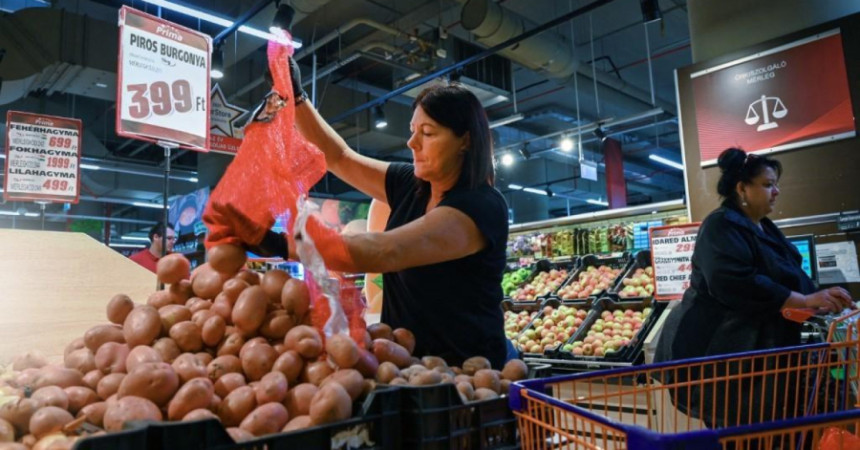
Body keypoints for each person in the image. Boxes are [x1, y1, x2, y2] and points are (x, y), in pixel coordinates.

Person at [219, 59, 510, 368]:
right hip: (404, 365)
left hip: (466, 374)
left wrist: (278, 243)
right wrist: (297, 97)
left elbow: (383, 251)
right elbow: (339, 157)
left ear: (465, 141)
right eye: (413, 131)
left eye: (427, 133)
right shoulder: (410, 185)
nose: (412, 143)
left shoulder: (480, 207)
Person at [654, 148, 853, 428]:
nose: (776, 191)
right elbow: (734, 281)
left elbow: (790, 271)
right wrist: (805, 299)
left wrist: (818, 298)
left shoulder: (763, 227)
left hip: (755, 354)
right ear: (742, 189)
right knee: (740, 430)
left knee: (760, 430)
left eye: (776, 184)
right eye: (767, 184)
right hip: (721, 353)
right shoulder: (720, 226)